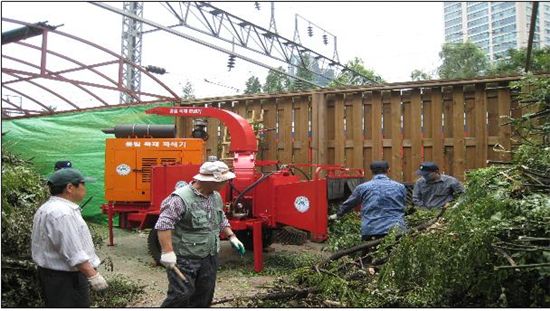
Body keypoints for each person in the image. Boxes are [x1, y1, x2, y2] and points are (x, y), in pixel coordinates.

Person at [155, 159, 246, 308]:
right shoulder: (179, 199)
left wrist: (232, 236)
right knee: (181, 294)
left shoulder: (215, 196)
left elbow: (220, 217)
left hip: (209, 256)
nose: (226, 184)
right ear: (210, 181)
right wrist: (167, 252)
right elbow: (164, 224)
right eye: (224, 181)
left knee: (204, 295)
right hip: (185, 257)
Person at [31, 168, 108, 308]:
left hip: (52, 277)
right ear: (70, 188)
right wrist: (93, 275)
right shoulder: (63, 213)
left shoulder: (47, 208)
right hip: (66, 279)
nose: (85, 188)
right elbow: (73, 251)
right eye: (83, 184)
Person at [329, 161, 407, 242]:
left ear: (371, 171)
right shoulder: (400, 187)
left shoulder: (362, 188)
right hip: (396, 229)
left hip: (371, 229)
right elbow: (402, 204)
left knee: (369, 254)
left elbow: (349, 204)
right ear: (388, 170)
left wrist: (337, 215)